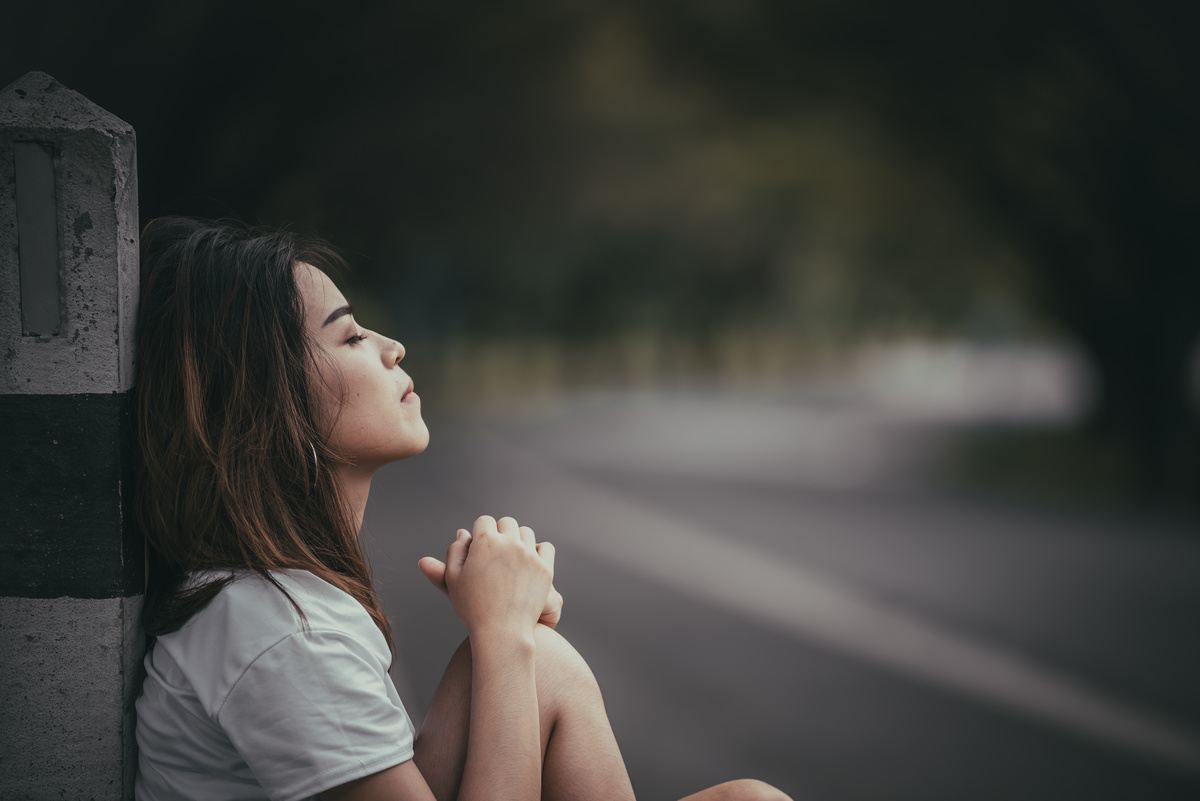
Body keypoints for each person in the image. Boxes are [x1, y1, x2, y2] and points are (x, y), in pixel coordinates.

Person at [132, 217, 791, 801]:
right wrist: (500, 630)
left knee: (551, 669)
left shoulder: (274, 604)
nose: (393, 345)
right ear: (268, 399)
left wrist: (508, 641)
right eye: (353, 335)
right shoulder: (279, 634)